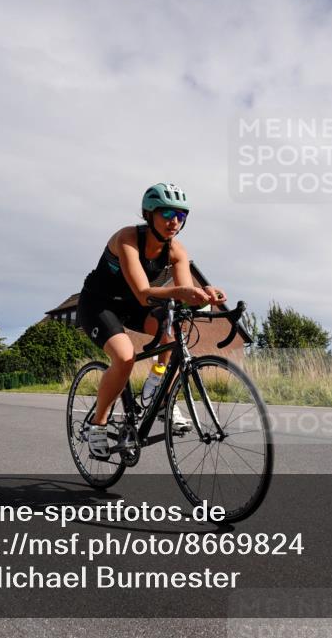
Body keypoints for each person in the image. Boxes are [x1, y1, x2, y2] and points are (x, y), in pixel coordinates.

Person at [77, 183, 227, 458]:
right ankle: (97, 425)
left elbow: (183, 297)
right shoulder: (127, 239)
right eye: (168, 213)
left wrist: (205, 296)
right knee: (124, 357)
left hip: (134, 306)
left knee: (172, 332)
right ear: (149, 214)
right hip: (99, 304)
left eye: (181, 216)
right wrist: (183, 291)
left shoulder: (177, 251)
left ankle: (158, 394)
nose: (174, 222)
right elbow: (146, 294)